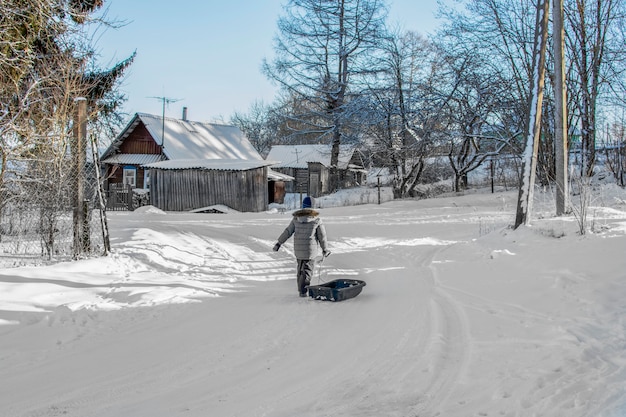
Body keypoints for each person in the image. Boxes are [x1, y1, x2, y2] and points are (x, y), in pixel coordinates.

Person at [273, 196, 330, 297]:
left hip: (298, 251)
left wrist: (279, 243)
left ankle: (301, 289)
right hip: (310, 252)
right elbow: (322, 237)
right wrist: (325, 249)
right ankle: (303, 291)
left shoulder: (296, 219)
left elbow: (288, 232)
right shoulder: (317, 220)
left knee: (300, 270)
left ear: (303, 206)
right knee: (307, 271)